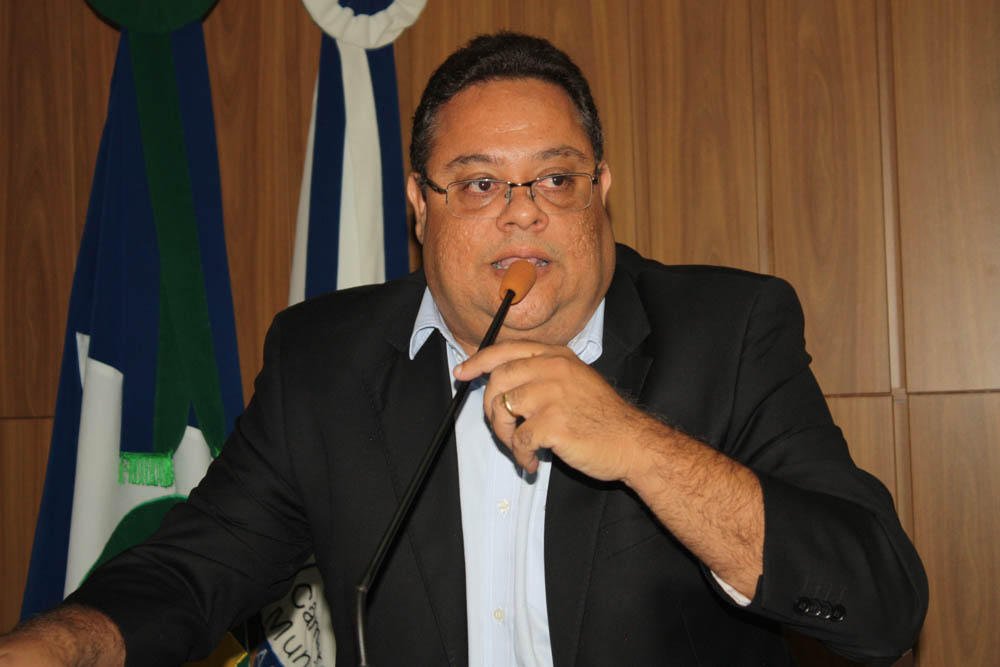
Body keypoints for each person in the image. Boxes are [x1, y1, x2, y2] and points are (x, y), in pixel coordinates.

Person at [2, 32, 926, 666]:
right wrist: (59, 645)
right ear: (419, 205)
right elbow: (191, 572)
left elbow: (880, 603)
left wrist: (638, 444)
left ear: (601, 189)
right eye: (479, 183)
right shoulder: (323, 361)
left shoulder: (730, 330)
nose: (523, 212)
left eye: (555, 178)